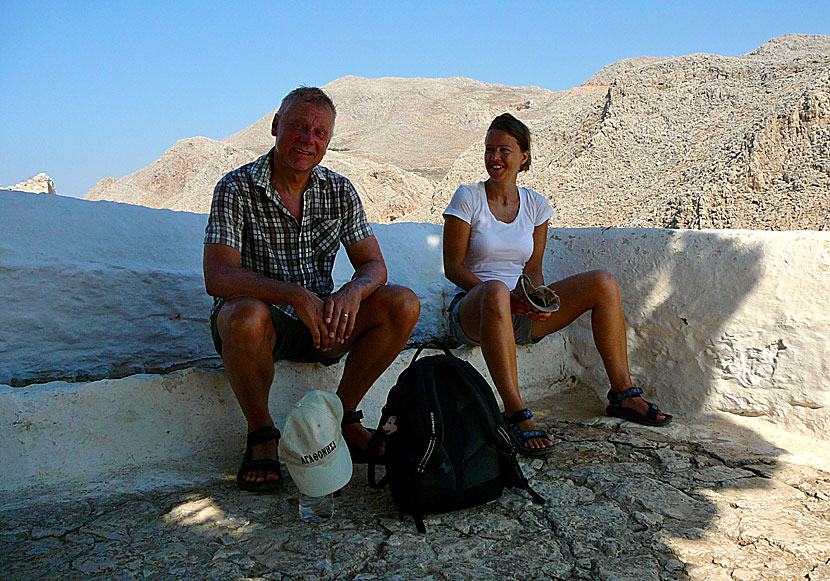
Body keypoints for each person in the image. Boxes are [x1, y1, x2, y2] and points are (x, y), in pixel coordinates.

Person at [203, 86, 420, 491]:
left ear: (328, 142)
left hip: (325, 323)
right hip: (263, 327)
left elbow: (374, 265)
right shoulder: (235, 188)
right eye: (299, 126)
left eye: (320, 133)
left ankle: (340, 417)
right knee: (244, 314)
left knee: (402, 304)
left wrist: (353, 291)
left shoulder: (338, 191)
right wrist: (294, 295)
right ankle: (262, 435)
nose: (308, 139)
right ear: (275, 126)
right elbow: (218, 276)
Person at [442, 113, 671, 457]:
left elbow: (533, 269)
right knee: (497, 291)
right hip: (475, 311)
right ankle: (515, 410)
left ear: (525, 156)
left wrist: (538, 302)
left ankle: (623, 393)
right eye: (490, 149)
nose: (495, 158)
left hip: (518, 310)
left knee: (603, 283)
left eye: (505, 149)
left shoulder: (536, 206)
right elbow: (453, 267)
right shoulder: (468, 199)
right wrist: (501, 297)